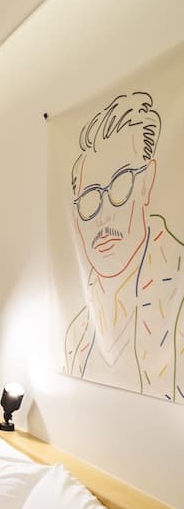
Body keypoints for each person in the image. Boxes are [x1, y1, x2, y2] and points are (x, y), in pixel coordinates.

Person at [64, 91, 184, 401]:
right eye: (90, 197)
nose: (103, 214)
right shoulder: (76, 334)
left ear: (146, 183)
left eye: (120, 184)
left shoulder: (178, 301)